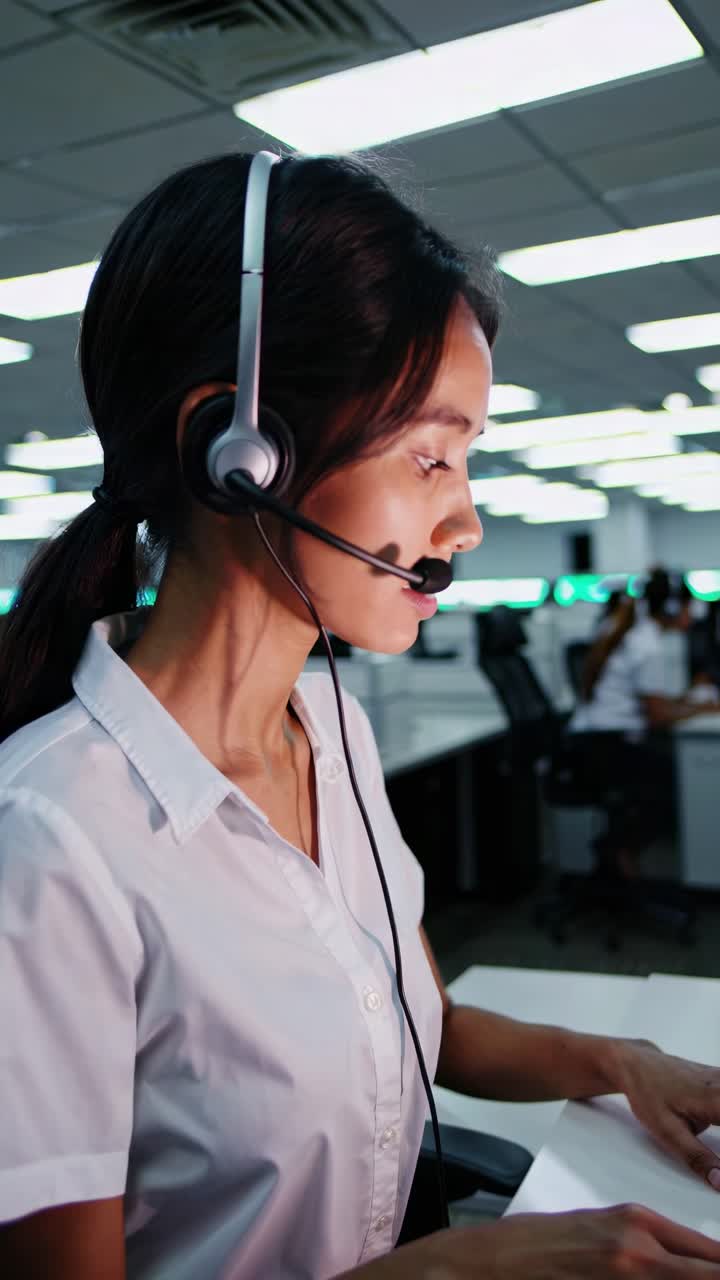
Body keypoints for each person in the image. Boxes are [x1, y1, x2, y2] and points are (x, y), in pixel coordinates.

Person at [2, 154, 720, 1280]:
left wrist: (620, 1059)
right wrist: (453, 1268)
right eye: (431, 454)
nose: (468, 520)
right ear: (239, 453)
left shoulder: (329, 726)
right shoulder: (50, 842)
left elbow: (422, 1016)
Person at [569, 568, 720, 876]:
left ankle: (617, 853)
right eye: (690, 608)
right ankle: (619, 850)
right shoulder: (648, 647)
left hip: (592, 740)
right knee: (669, 786)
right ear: (673, 609)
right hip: (607, 745)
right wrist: (704, 710)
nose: (692, 617)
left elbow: (651, 702)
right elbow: (658, 716)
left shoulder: (633, 632)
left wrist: (687, 703)